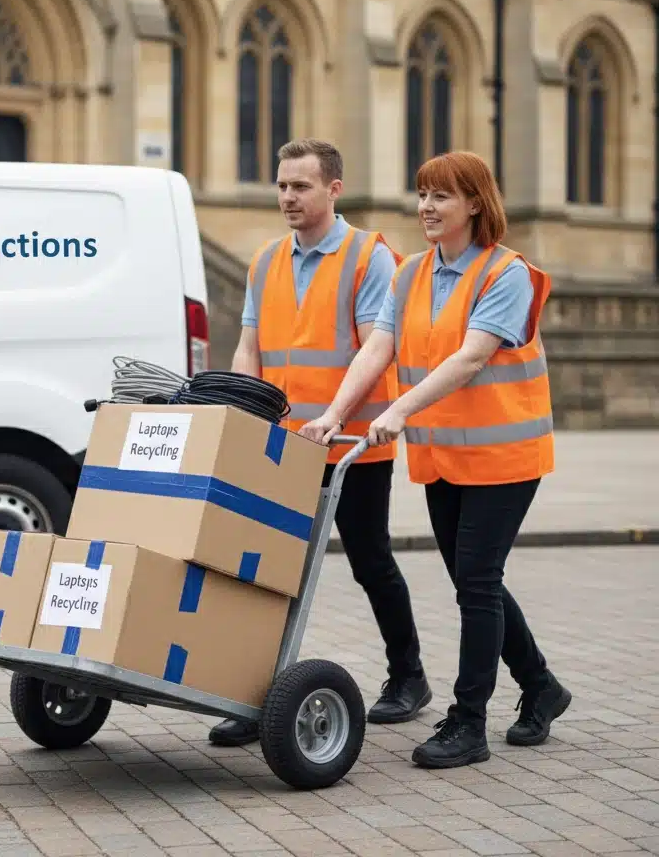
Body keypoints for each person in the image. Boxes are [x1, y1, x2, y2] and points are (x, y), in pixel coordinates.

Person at [301, 149, 572, 769]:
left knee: (476, 582)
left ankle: (468, 722)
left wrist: (400, 412)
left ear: (475, 203)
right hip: (446, 457)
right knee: (477, 581)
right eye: (422, 194)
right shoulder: (412, 273)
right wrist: (337, 414)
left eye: (441, 196)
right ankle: (542, 687)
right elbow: (380, 350)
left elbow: (470, 358)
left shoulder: (508, 275)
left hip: (506, 457)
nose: (425, 207)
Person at [208, 137, 432, 748]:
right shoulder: (264, 261)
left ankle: (408, 677)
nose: (288, 197)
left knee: (369, 560)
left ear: (333, 189)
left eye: (300, 186)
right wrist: (241, 408)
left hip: (352, 444)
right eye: (282, 185)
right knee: (263, 567)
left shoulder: (369, 259)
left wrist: (334, 417)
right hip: (283, 446)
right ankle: (251, 696)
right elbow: (249, 347)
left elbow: (373, 349)